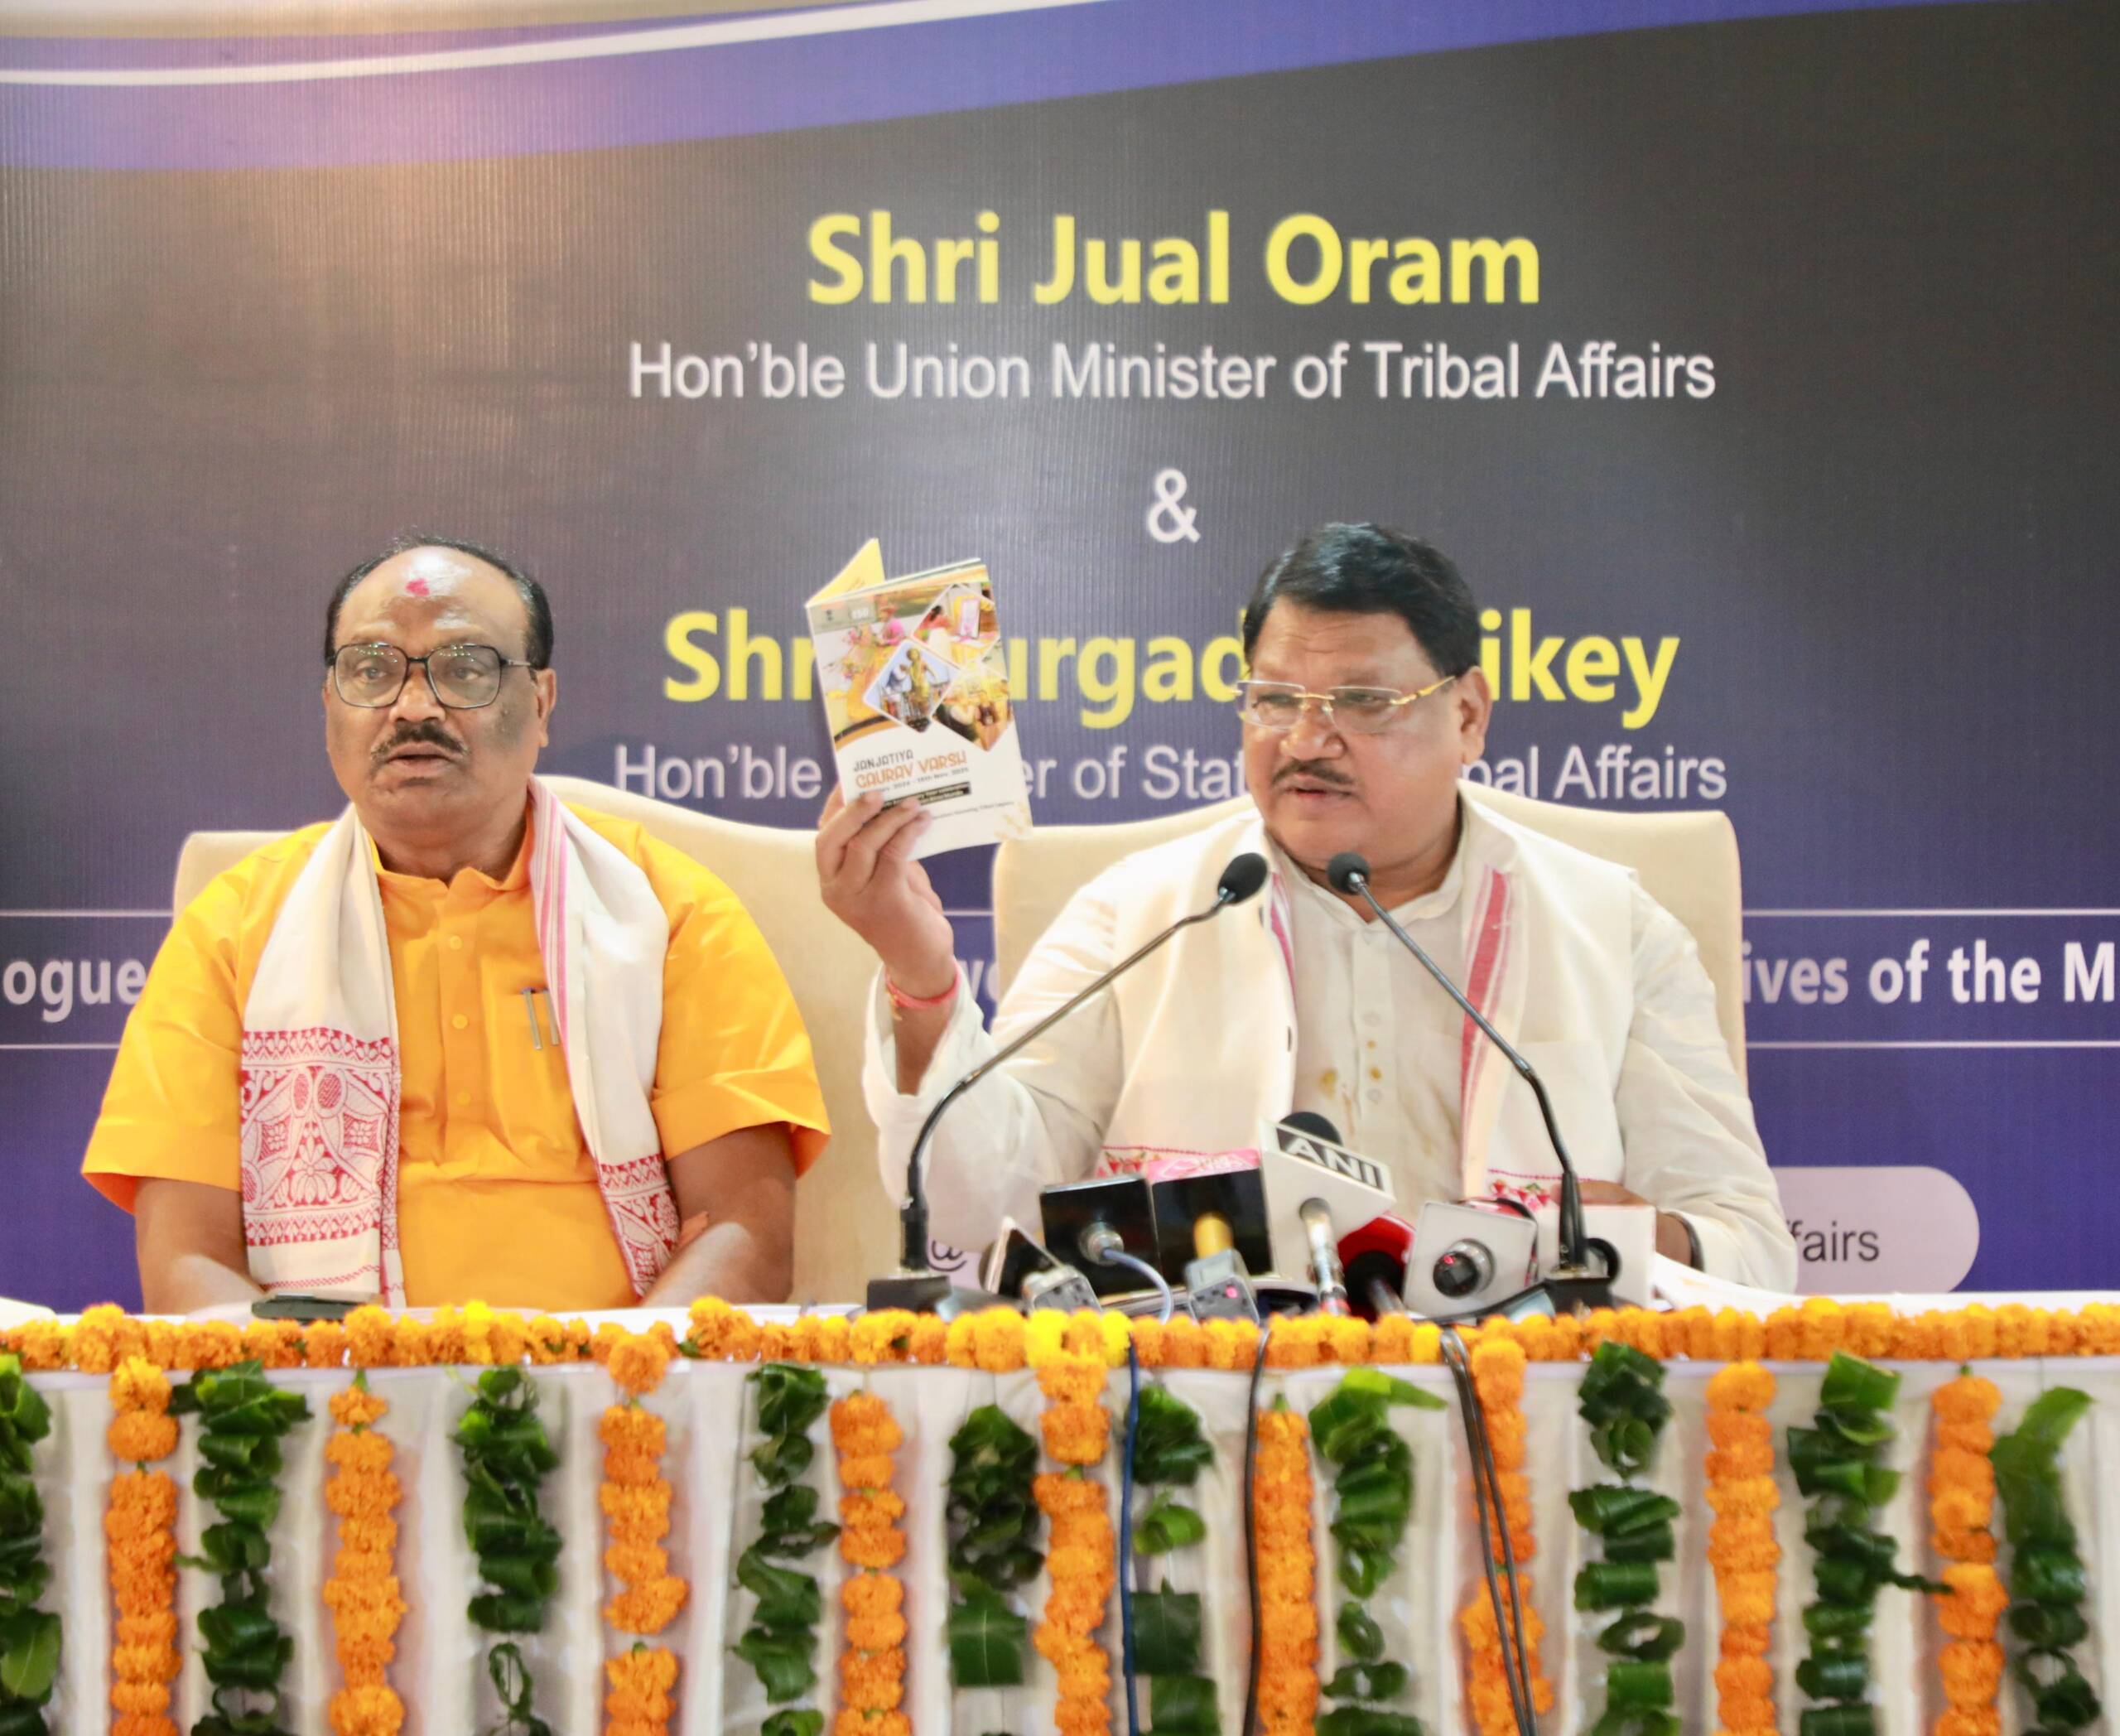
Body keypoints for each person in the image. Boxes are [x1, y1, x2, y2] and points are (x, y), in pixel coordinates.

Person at [818, 523, 1795, 1289]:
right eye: (1275, 698)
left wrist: (1614, 1238)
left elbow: (1749, 1249)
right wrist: (920, 974)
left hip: (1521, 1418)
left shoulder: (1611, 928)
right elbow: (977, 1206)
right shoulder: (1138, 914)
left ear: (1467, 715)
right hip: (1211, 1418)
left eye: (1362, 701)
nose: (1305, 740)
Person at [84, 535, 828, 1314]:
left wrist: (608, 1381)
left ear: (540, 703)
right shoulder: (234, 930)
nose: (413, 707)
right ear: (329, 705)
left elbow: (744, 1232)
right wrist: (323, 1385)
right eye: (372, 670)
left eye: (465, 668)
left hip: (613, 1380)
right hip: (325, 1381)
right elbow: (188, 1258)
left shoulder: (672, 913)